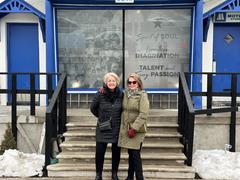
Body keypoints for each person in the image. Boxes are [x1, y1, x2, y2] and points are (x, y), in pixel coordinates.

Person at [90, 72, 123, 180]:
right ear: (106, 82)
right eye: (109, 81)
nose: (111, 82)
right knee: (99, 152)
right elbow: (93, 108)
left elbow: (123, 109)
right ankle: (98, 174)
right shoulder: (100, 94)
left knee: (116, 153)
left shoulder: (121, 94)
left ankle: (114, 174)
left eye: (113, 81)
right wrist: (101, 118)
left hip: (117, 127)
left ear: (117, 82)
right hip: (103, 128)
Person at [118, 73, 149, 180]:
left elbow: (144, 114)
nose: (131, 84)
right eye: (129, 82)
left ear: (138, 83)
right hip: (126, 128)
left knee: (135, 155)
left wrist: (134, 128)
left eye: (134, 82)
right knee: (130, 154)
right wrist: (102, 90)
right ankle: (130, 176)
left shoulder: (142, 95)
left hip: (137, 129)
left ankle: (140, 177)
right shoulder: (125, 94)